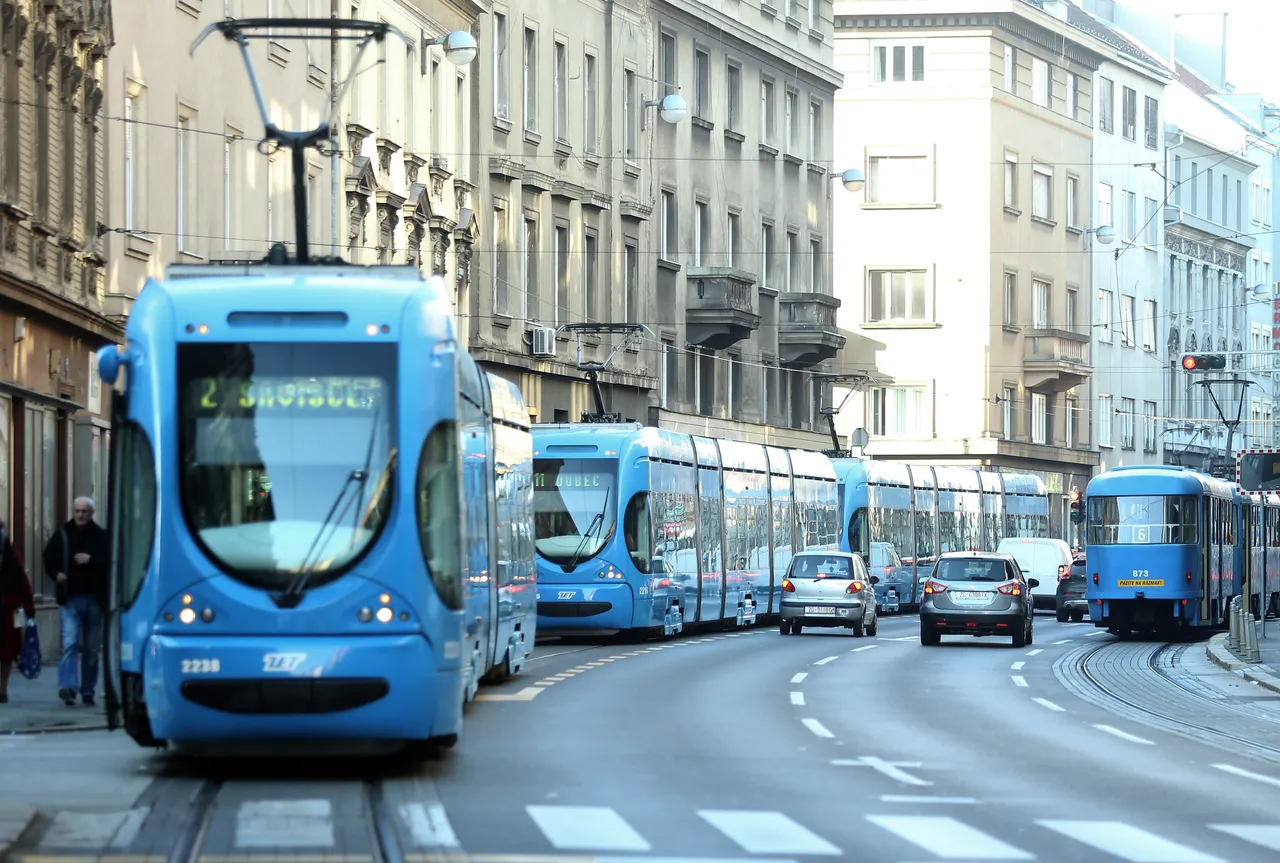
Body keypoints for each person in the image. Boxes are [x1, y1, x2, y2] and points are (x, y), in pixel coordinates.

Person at [43, 497, 109, 707]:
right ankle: (68, 687)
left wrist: (92, 560)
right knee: (70, 643)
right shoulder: (63, 534)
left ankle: (88, 690)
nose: (80, 515)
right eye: (77, 511)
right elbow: (48, 557)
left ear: (92, 512)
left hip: (95, 599)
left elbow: (111, 562)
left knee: (90, 648)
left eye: (84, 511)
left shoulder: (101, 536)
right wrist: (57, 574)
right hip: (70, 598)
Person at [0, 519, 36, 705]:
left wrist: (29, 608)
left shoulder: (12, 556)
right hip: (8, 607)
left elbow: (22, 582)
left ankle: (3, 689)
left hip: (8, 610)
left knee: (6, 653)